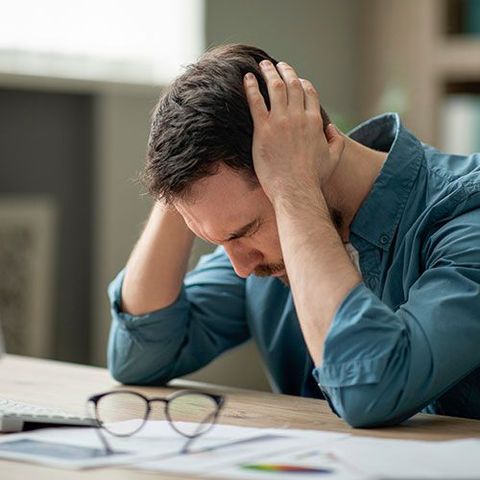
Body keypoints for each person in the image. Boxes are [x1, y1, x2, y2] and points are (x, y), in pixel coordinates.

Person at [107, 44, 480, 427]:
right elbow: (139, 355)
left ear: (307, 152)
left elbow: (372, 390)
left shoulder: (467, 218)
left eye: (244, 232)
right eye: (219, 241)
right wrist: (181, 173)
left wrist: (294, 189)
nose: (240, 267)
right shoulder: (260, 247)